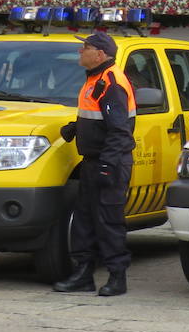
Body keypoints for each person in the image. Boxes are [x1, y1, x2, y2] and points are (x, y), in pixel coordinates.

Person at [54, 32, 136, 297]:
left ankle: (117, 277)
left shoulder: (110, 81)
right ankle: (83, 275)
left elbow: (120, 130)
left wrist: (107, 165)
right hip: (93, 162)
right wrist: (76, 128)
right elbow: (100, 118)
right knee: (85, 220)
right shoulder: (94, 79)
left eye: (84, 48)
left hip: (109, 162)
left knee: (108, 220)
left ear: (100, 54)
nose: (80, 52)